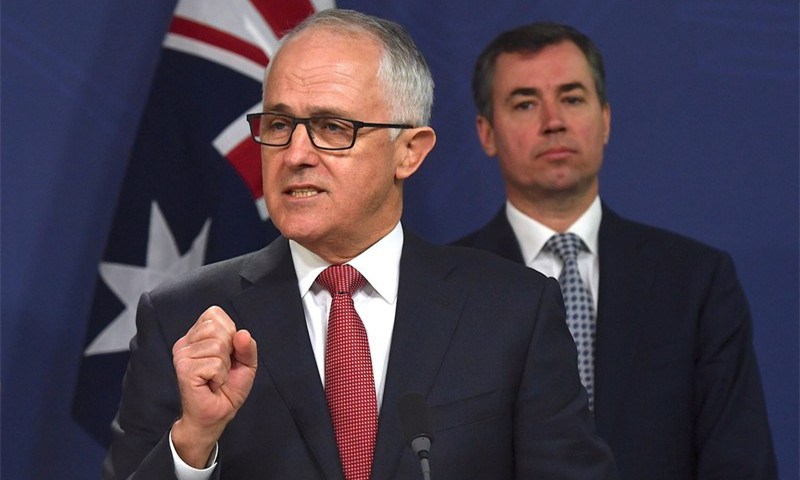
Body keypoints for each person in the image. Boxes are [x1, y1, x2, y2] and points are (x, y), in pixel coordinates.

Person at [103, 10, 619, 480]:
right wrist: (193, 442)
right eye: (279, 125)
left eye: (332, 127)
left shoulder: (513, 311)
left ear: (409, 152)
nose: (295, 154)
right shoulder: (182, 318)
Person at [453, 22, 778, 480]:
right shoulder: (444, 288)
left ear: (605, 119)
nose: (554, 121)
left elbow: (741, 461)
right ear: (487, 133)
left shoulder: (696, 281)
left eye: (572, 99)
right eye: (525, 104)